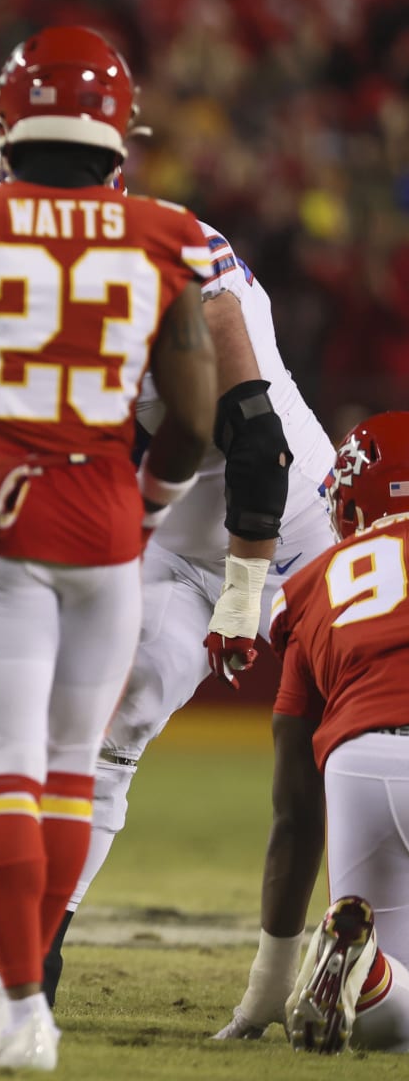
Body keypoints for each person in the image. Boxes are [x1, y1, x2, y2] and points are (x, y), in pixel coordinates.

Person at [0, 26, 219, 1069]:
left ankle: (24, 1002)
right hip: (107, 518)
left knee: (4, 774)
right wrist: (151, 503)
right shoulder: (168, 234)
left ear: (7, 120)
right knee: (73, 774)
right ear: (120, 128)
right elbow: (199, 420)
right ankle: (27, 998)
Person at [0, 140, 337, 1006]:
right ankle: (33, 965)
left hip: (304, 534)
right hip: (176, 539)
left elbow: (258, 443)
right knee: (98, 725)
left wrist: (247, 592)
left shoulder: (177, 265)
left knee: (359, 744)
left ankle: (374, 952)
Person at [214, 413, 409, 1054]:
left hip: (357, 765)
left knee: (383, 1020)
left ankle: (370, 973)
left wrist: (265, 987)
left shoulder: (311, 586)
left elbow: (294, 812)